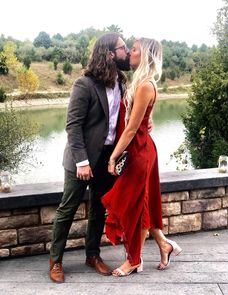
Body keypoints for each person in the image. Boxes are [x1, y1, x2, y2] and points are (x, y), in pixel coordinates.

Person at [49, 32, 130, 283]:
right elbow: (73, 126)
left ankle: (92, 255)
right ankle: (56, 261)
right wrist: (82, 162)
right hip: (81, 158)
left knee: (98, 209)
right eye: (123, 48)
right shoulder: (84, 84)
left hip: (108, 157)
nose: (126, 52)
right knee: (68, 208)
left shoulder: (121, 82)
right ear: (109, 54)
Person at [101, 37, 182, 277]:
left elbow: (131, 129)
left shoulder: (146, 85)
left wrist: (112, 158)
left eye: (134, 50)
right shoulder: (139, 83)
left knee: (132, 206)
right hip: (139, 150)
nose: (130, 53)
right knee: (140, 203)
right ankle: (162, 245)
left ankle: (134, 260)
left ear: (144, 55)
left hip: (139, 152)